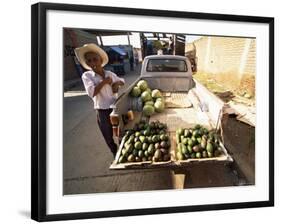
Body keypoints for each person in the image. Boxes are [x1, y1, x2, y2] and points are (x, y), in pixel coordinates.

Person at [74, 43, 125, 158]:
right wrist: (104, 82)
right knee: (107, 135)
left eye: (95, 60)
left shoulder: (109, 74)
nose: (92, 63)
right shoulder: (87, 76)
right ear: (87, 63)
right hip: (102, 111)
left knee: (120, 131)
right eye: (89, 61)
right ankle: (114, 153)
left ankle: (123, 150)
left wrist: (117, 83)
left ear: (101, 60)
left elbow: (122, 80)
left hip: (114, 108)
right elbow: (91, 93)